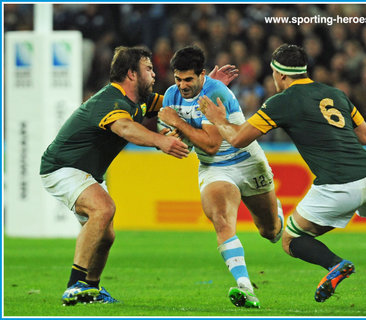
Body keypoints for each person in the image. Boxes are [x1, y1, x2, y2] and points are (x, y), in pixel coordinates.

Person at [199, 44, 366, 311]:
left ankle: (336, 265)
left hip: (337, 183)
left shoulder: (281, 101)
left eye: (272, 73)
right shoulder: (334, 93)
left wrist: (217, 119)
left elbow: (237, 139)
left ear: (280, 75)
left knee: (291, 240)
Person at [40, 45, 236, 306]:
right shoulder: (111, 100)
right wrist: (160, 141)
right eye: (149, 68)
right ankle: (74, 284)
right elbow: (125, 128)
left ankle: (91, 288)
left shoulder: (140, 101)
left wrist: (207, 86)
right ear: (132, 74)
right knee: (104, 208)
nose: (155, 74)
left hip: (87, 172)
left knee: (106, 235)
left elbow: (178, 102)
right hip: (62, 166)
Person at [158, 45, 284, 309]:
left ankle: (277, 213)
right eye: (178, 78)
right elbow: (192, 143)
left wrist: (178, 124)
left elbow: (211, 143)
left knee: (270, 232)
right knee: (222, 220)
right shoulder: (172, 95)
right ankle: (246, 287)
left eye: (189, 79)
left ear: (201, 75)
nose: (182, 85)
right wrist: (173, 138)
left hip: (247, 162)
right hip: (215, 169)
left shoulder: (215, 92)